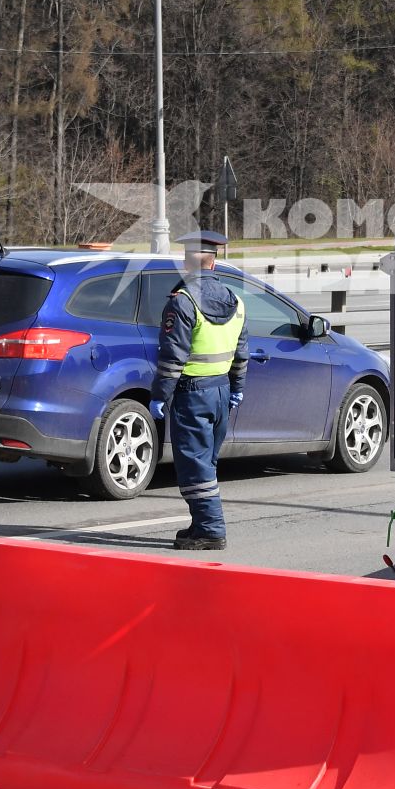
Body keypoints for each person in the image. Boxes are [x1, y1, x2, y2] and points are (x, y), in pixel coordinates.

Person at [150, 231, 248, 550]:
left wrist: (159, 396)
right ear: (214, 261)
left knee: (195, 463)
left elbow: (172, 357)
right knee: (206, 461)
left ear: (186, 263)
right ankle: (199, 524)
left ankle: (211, 530)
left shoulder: (183, 301)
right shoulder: (236, 301)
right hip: (220, 392)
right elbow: (242, 351)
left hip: (191, 393)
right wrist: (237, 389)